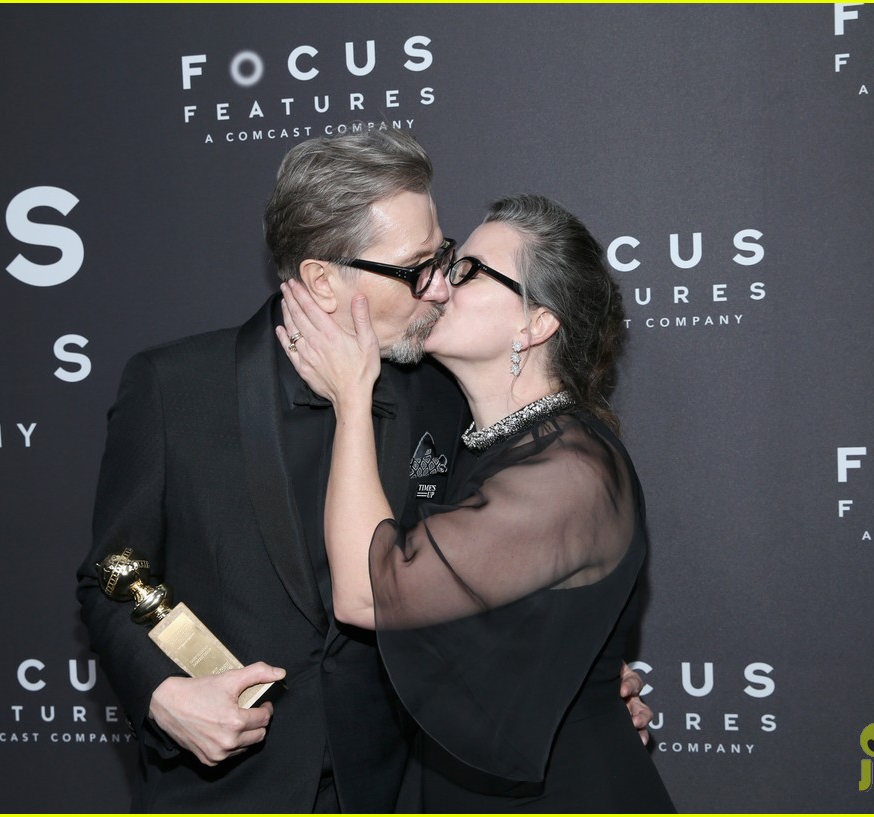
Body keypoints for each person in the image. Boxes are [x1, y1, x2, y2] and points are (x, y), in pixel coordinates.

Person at [76, 131, 653, 812]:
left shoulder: (450, 392)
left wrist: (574, 687)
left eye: (445, 257)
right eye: (417, 268)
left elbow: (509, 574)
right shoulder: (176, 388)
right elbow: (109, 576)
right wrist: (161, 694)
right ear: (323, 278)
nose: (439, 285)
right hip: (228, 792)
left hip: (402, 790)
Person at [279, 193, 676, 811]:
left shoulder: (569, 470)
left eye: (466, 270)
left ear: (536, 323)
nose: (436, 283)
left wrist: (350, 399)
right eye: (443, 262)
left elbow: (364, 593)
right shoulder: (482, 448)